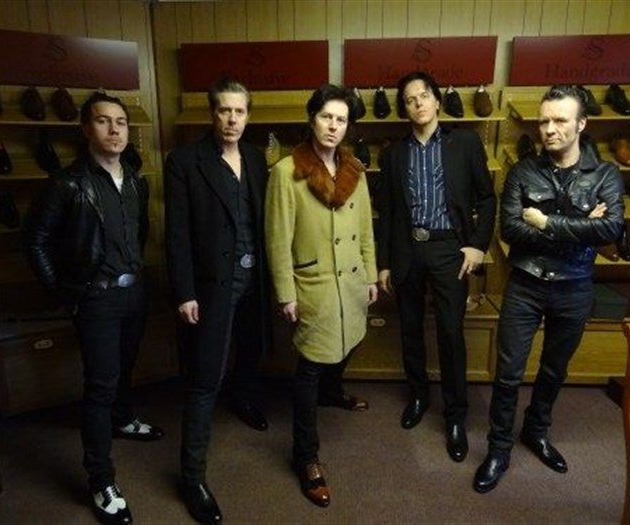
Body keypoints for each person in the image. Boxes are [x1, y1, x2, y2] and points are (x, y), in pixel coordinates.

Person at [473, 85, 625, 493]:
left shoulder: (605, 174)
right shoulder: (523, 172)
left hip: (574, 286)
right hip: (526, 283)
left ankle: (536, 432)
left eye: (560, 120)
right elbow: (511, 231)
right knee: (508, 372)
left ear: (581, 123)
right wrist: (583, 225)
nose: (550, 129)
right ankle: (498, 448)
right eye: (544, 121)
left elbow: (611, 229)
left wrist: (546, 222)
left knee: (555, 370)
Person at [25, 91, 163, 525]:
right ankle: (101, 480)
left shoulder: (136, 182)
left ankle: (123, 419)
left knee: (125, 369)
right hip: (96, 298)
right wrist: (65, 293)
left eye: (120, 122)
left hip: (133, 293)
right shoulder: (67, 183)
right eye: (104, 121)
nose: (114, 129)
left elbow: (137, 235)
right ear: (87, 129)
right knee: (101, 385)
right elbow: (35, 241)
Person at [265, 84, 378, 508]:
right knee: (310, 366)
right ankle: (306, 456)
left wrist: (370, 274)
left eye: (341, 119)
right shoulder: (285, 172)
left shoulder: (355, 170)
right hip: (312, 284)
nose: (333, 126)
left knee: (350, 342)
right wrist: (285, 293)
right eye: (326, 117)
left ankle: (333, 392)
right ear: (312, 119)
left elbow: (366, 229)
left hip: (351, 282)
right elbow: (277, 239)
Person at [163, 77, 271, 524]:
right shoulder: (184, 161)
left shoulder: (256, 158)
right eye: (224, 110)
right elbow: (176, 233)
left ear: (248, 116)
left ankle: (243, 398)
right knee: (205, 378)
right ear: (212, 114)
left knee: (251, 350)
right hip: (212, 286)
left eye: (239, 111)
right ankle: (192, 477)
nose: (232, 119)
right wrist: (185, 291)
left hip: (254, 281)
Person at [376, 71, 496, 462]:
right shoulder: (394, 154)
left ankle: (455, 414)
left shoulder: (465, 143)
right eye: (410, 99)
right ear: (405, 109)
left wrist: (477, 245)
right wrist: (384, 263)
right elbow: (387, 212)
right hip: (408, 249)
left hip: (449, 249)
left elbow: (487, 197)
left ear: (438, 100)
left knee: (449, 332)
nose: (418, 103)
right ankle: (418, 397)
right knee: (410, 329)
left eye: (424, 95)